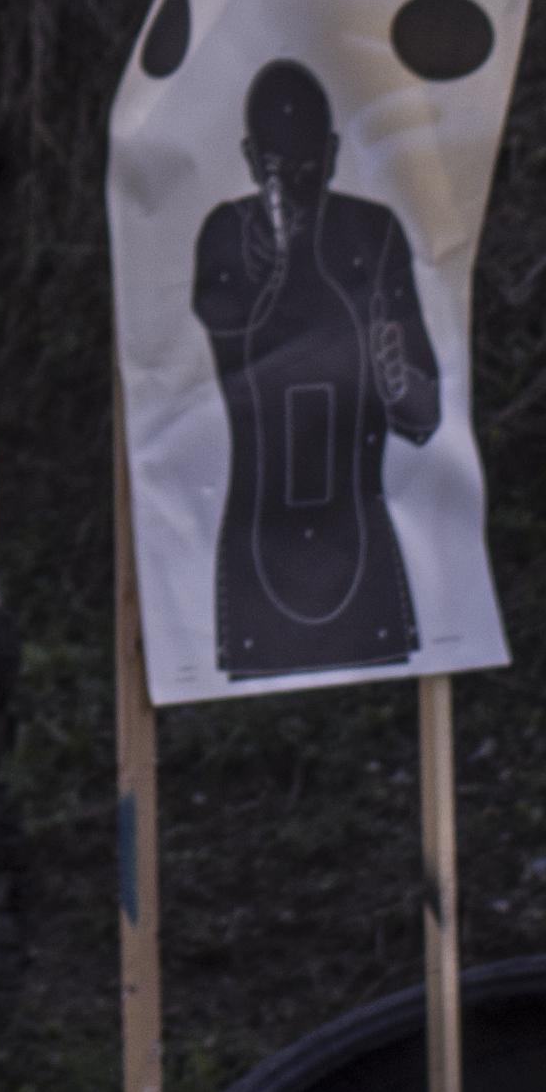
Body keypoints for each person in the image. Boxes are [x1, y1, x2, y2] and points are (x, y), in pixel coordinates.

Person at [194, 58, 446, 677]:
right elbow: (231, 350)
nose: (295, 190)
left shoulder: (371, 231)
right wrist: (265, 278)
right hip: (262, 540)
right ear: (252, 163)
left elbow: (422, 416)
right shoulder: (229, 233)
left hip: (358, 534)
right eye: (280, 173)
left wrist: (386, 369)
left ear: (332, 155)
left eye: (308, 169)